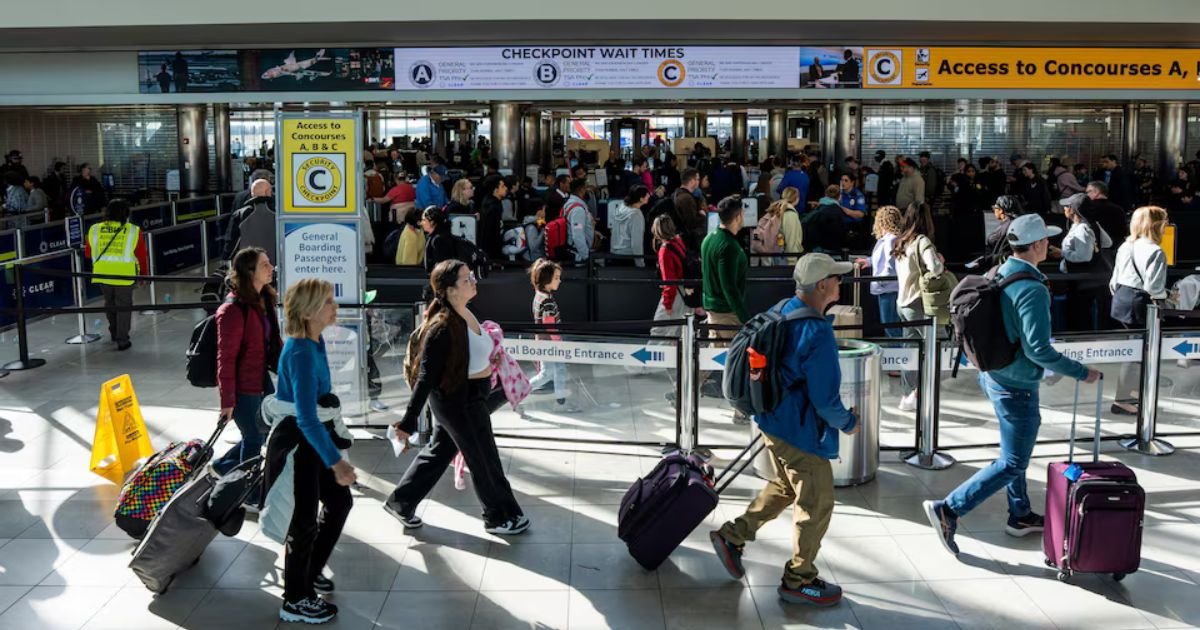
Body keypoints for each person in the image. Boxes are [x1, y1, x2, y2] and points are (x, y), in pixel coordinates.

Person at [924, 215, 1100, 556]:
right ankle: (949, 508)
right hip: (1016, 384)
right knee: (1013, 462)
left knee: (1011, 452)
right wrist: (1081, 372)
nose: (1049, 245)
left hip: (992, 374)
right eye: (1045, 241)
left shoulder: (1000, 271)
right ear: (1034, 245)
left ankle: (1019, 515)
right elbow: (1038, 349)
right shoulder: (1032, 289)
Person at [709, 253, 860, 607]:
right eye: (836, 278)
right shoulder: (818, 331)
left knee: (785, 485)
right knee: (817, 501)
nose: (841, 282)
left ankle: (733, 536)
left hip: (769, 420)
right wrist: (849, 423)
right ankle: (799, 579)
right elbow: (824, 400)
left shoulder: (783, 308)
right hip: (798, 430)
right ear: (822, 286)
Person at [386, 260, 529, 534]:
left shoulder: (465, 313)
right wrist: (408, 421)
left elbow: (472, 353)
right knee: (482, 456)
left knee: (441, 451)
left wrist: (491, 359)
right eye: (466, 279)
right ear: (450, 290)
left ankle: (401, 502)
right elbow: (426, 378)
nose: (473, 281)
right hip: (457, 402)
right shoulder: (441, 328)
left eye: (471, 277)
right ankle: (498, 516)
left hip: (471, 396)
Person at [273, 278, 357, 624]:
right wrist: (336, 463)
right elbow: (306, 419)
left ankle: (308, 572)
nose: (334, 308)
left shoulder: (315, 341)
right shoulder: (301, 352)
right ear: (308, 311)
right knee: (304, 520)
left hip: (312, 439)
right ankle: (295, 598)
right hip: (300, 444)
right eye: (327, 303)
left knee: (339, 502)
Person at [213, 248, 281, 480]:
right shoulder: (232, 310)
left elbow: (274, 343)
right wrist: (227, 401)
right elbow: (226, 358)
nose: (271, 267)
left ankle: (223, 467)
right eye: (264, 264)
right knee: (253, 437)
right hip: (244, 386)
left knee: (265, 431)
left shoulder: (264, 300)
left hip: (260, 378)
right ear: (249, 271)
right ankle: (244, 490)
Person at [1109, 206, 1169, 416]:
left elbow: (1114, 280)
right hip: (1139, 302)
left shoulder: (1126, 246)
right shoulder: (1156, 251)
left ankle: (1129, 394)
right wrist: (1168, 296)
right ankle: (1122, 400)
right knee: (1137, 353)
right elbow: (1154, 287)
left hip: (1121, 298)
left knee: (1132, 349)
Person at [700, 196, 750, 424]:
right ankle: (740, 411)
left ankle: (685, 388)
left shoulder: (709, 239)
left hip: (712, 308)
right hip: (728, 313)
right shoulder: (728, 246)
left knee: (712, 354)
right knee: (739, 361)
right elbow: (729, 286)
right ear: (737, 216)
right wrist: (744, 318)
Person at [893, 203, 944, 412]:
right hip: (918, 302)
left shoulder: (902, 241)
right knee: (931, 349)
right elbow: (935, 267)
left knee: (909, 351)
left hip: (901, 302)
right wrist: (940, 261)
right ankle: (922, 393)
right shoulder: (922, 241)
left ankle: (907, 394)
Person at [84, 199, 148, 351]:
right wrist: (144, 275)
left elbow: (88, 253)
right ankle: (122, 339)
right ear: (126, 213)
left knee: (110, 303)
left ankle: (114, 332)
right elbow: (141, 255)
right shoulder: (133, 231)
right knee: (123, 306)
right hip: (124, 275)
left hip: (102, 273)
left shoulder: (94, 229)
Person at [527, 259, 581, 413]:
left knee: (556, 372)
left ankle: (561, 402)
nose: (559, 280)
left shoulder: (539, 296)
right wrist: (560, 345)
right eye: (556, 277)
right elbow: (551, 326)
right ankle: (519, 393)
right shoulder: (548, 301)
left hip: (545, 343)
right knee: (549, 373)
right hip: (551, 345)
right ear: (546, 280)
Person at [1058, 193, 1112, 331]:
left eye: (1067, 206)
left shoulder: (1082, 228)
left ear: (1073, 209)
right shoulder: (1093, 225)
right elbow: (1107, 242)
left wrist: (1062, 253)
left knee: (1081, 319)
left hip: (1082, 283)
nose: (1064, 208)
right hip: (1091, 282)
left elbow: (1084, 256)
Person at [856, 205, 903, 338]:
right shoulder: (888, 239)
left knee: (890, 326)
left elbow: (889, 263)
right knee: (889, 324)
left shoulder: (890, 239)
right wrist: (868, 261)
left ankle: (900, 353)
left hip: (888, 288)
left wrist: (880, 281)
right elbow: (881, 258)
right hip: (886, 287)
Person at [651, 215, 691, 342]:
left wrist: (667, 304)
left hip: (675, 294)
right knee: (679, 331)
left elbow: (669, 281)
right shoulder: (679, 241)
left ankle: (654, 359)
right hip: (685, 292)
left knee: (659, 330)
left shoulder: (665, 250)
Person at [223, 178, 276, 261]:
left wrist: (227, 257)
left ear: (252, 194)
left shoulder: (240, 214)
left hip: (248, 263)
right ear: (268, 192)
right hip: (273, 262)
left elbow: (231, 241)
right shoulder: (278, 214)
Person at [610, 184, 649, 267]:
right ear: (641, 199)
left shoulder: (621, 207)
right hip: (629, 258)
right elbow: (636, 242)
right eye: (646, 194)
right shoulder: (636, 215)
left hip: (614, 254)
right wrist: (640, 263)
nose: (649, 195)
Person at [983, 195, 1026, 268]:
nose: (994, 210)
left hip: (1001, 267)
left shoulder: (1008, 227)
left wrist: (984, 261)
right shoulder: (1018, 224)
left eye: (995, 208)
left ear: (1001, 210)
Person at [1083, 180, 1130, 245]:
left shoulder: (1088, 208)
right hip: (1116, 246)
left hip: (1097, 247)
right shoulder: (1119, 209)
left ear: (1096, 192)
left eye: (1088, 192)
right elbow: (1124, 231)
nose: (1086, 195)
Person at [807, 185, 850, 252]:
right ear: (839, 197)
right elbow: (842, 232)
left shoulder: (817, 209)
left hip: (816, 248)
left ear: (825, 194)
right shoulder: (838, 212)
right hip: (833, 249)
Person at [563, 178, 595, 263]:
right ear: (581, 189)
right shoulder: (577, 210)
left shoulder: (570, 203)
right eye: (586, 188)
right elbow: (577, 235)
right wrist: (586, 256)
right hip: (578, 254)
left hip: (576, 250)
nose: (588, 190)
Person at [421, 206, 458, 274]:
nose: (421, 223)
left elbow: (441, 268)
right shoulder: (439, 237)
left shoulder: (439, 240)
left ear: (432, 222)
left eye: (423, 220)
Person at [477, 175, 506, 259]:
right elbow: (490, 231)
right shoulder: (492, 206)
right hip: (490, 251)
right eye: (502, 186)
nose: (506, 188)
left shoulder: (492, 202)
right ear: (496, 190)